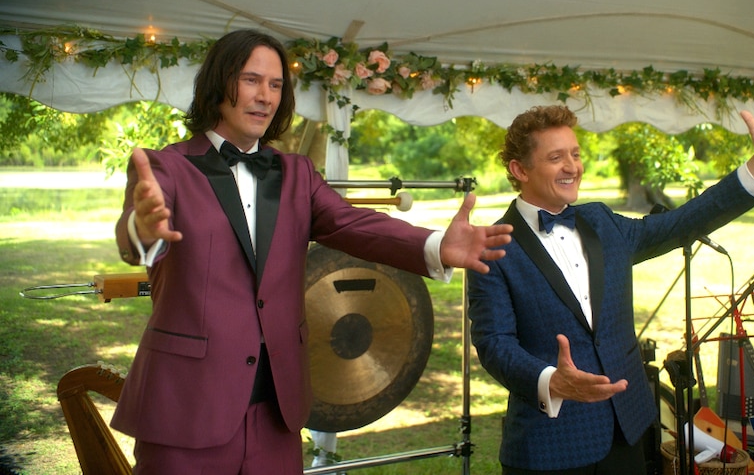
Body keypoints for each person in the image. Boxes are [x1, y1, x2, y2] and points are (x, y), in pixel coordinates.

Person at [111, 29, 513, 474]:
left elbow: (354, 224)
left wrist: (435, 243)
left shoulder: (296, 173)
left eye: (276, 85)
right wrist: (142, 227)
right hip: (187, 408)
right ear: (217, 84)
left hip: (277, 413)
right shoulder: (167, 166)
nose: (265, 96)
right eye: (251, 80)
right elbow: (137, 239)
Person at [467, 95, 754, 475]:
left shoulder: (602, 222)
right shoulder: (491, 248)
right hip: (550, 445)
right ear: (519, 169)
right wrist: (550, 381)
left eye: (576, 154)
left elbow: (684, 222)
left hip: (629, 432)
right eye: (556, 158)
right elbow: (494, 345)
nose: (572, 167)